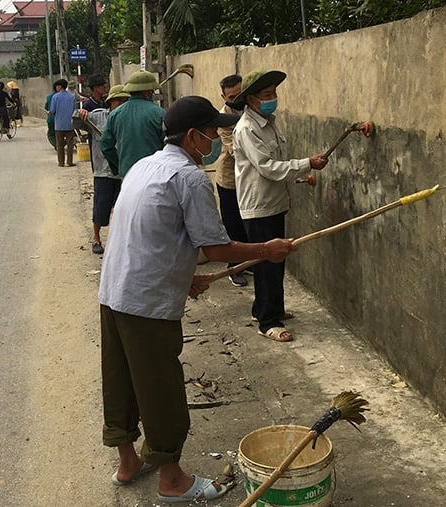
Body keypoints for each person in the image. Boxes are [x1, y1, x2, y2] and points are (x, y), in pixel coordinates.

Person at [98, 96, 298, 503]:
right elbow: (217, 246)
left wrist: (187, 276)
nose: (216, 139)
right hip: (147, 305)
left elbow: (150, 234)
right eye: (211, 132)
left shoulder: (143, 166)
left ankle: (128, 463)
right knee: (161, 391)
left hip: (114, 293)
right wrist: (267, 249)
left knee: (121, 382)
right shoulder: (189, 178)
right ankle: (172, 480)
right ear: (193, 137)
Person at [232, 70, 328, 343]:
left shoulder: (268, 123)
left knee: (276, 261)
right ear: (250, 100)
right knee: (267, 263)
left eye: (273, 93)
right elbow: (267, 167)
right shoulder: (247, 129)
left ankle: (264, 308)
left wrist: (300, 173)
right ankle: (267, 321)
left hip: (274, 202)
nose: (272, 98)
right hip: (259, 206)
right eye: (266, 95)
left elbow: (277, 164)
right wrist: (306, 163)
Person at [79, 84, 129, 254]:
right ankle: (96, 238)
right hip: (103, 170)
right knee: (101, 206)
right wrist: (81, 114)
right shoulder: (98, 116)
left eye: (125, 102)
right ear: (111, 103)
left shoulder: (130, 120)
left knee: (124, 208)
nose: (121, 105)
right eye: (118, 102)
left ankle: (121, 240)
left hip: (124, 171)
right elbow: (77, 120)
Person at [214, 74, 251, 288]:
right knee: (232, 223)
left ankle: (247, 263)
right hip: (230, 178)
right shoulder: (223, 117)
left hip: (249, 177)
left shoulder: (251, 108)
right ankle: (234, 267)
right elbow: (232, 148)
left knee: (248, 222)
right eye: (231, 96)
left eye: (239, 94)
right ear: (224, 96)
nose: (236, 99)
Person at [100, 70, 164, 178]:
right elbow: (170, 145)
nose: (152, 93)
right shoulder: (159, 113)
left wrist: (119, 165)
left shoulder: (115, 115)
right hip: (154, 173)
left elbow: (105, 146)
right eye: (152, 91)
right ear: (147, 92)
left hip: (127, 173)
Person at [50, 78, 76, 167]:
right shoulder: (71, 97)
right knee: (70, 145)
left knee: (60, 145)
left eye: (57, 86)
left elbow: (53, 110)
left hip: (59, 125)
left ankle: (61, 162)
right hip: (70, 124)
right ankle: (70, 162)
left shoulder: (55, 97)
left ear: (60, 87)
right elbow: (74, 110)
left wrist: (50, 112)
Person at [45, 79, 66, 149]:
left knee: (51, 134)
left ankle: (57, 145)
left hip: (52, 119)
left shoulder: (50, 97)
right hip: (62, 120)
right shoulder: (68, 96)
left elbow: (48, 108)